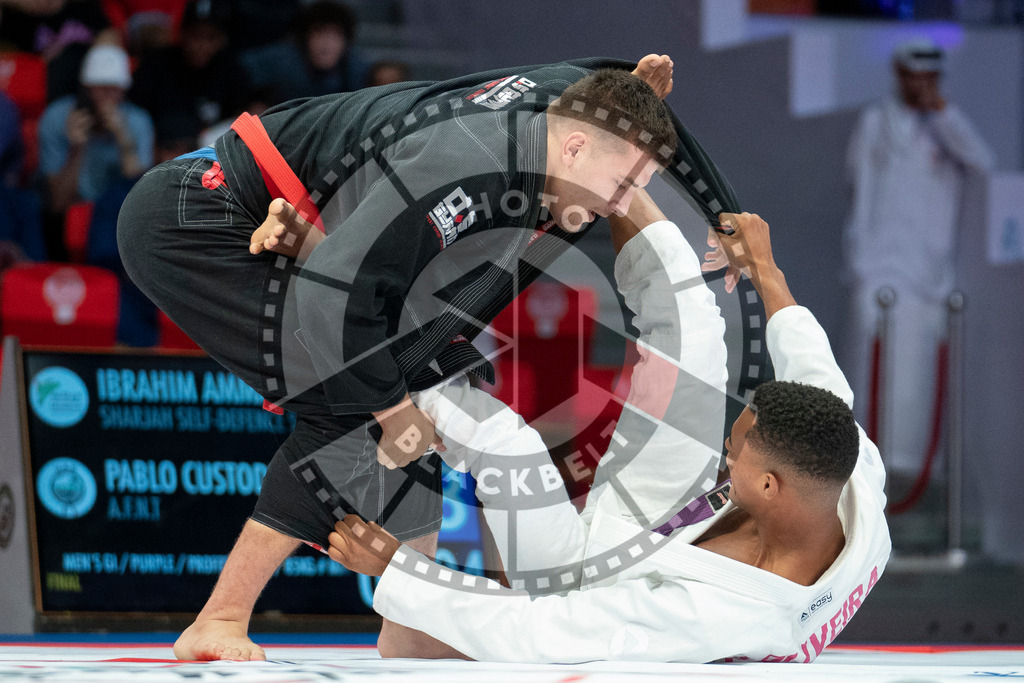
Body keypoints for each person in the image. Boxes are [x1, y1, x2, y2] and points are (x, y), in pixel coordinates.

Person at [117, 55, 695, 660]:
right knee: (353, 397)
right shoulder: (471, 165)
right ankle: (218, 620)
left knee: (416, 377)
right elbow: (335, 302)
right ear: (574, 148)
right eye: (623, 185)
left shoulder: (543, 146)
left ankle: (408, 618)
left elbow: (369, 281)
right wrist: (391, 412)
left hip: (277, 215)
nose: (623, 204)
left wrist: (635, 97)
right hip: (198, 213)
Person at [326, 193, 892, 663]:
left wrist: (397, 570)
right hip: (678, 506)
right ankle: (619, 170)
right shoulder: (843, 462)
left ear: (771, 485)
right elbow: (814, 369)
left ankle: (367, 363)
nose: (726, 444)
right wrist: (764, 267)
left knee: (504, 445)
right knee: (691, 326)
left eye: (737, 449)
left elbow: (544, 633)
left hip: (584, 581)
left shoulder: (724, 618)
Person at [843, 38, 994, 476]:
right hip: (876, 269)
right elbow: (858, 190)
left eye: (931, 76)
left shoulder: (947, 126)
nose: (922, 84)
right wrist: (858, 258)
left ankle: (914, 473)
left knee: (917, 379)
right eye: (916, 75)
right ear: (899, 73)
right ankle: (864, 469)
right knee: (869, 371)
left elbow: (982, 163)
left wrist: (942, 111)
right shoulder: (875, 122)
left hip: (927, 277)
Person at [38, 40, 153, 258]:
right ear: (86, 88)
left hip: (118, 217)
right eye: (101, 89)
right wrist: (77, 148)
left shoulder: (138, 122)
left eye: (115, 90)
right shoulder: (57, 117)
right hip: (65, 217)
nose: (108, 98)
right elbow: (57, 203)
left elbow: (142, 201)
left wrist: (124, 140)